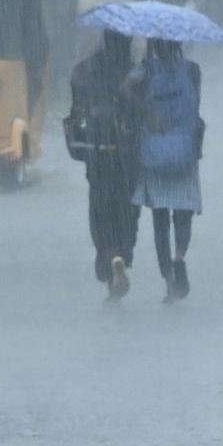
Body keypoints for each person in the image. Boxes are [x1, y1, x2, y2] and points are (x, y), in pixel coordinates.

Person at [68, 31, 143, 300]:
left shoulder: (85, 70)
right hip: (127, 153)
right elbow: (143, 110)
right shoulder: (134, 73)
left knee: (100, 210)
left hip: (97, 152)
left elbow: (76, 110)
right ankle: (122, 252)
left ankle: (108, 258)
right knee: (127, 210)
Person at [128, 38, 203, 303]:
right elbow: (196, 108)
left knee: (160, 220)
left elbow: (124, 88)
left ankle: (170, 283)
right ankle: (180, 257)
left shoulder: (145, 70)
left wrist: (147, 111)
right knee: (183, 213)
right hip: (183, 150)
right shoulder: (193, 70)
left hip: (155, 151)